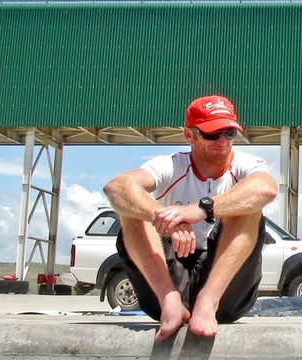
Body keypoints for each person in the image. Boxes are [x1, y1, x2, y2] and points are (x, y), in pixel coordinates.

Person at [103, 94, 277, 342]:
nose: (222, 141)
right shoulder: (172, 165)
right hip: (172, 276)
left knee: (250, 207)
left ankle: (207, 302)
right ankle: (169, 301)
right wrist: (162, 217)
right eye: (211, 134)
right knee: (131, 210)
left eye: (229, 133)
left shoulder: (246, 164)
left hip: (225, 292)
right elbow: (116, 187)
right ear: (189, 136)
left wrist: (202, 209)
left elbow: (266, 189)